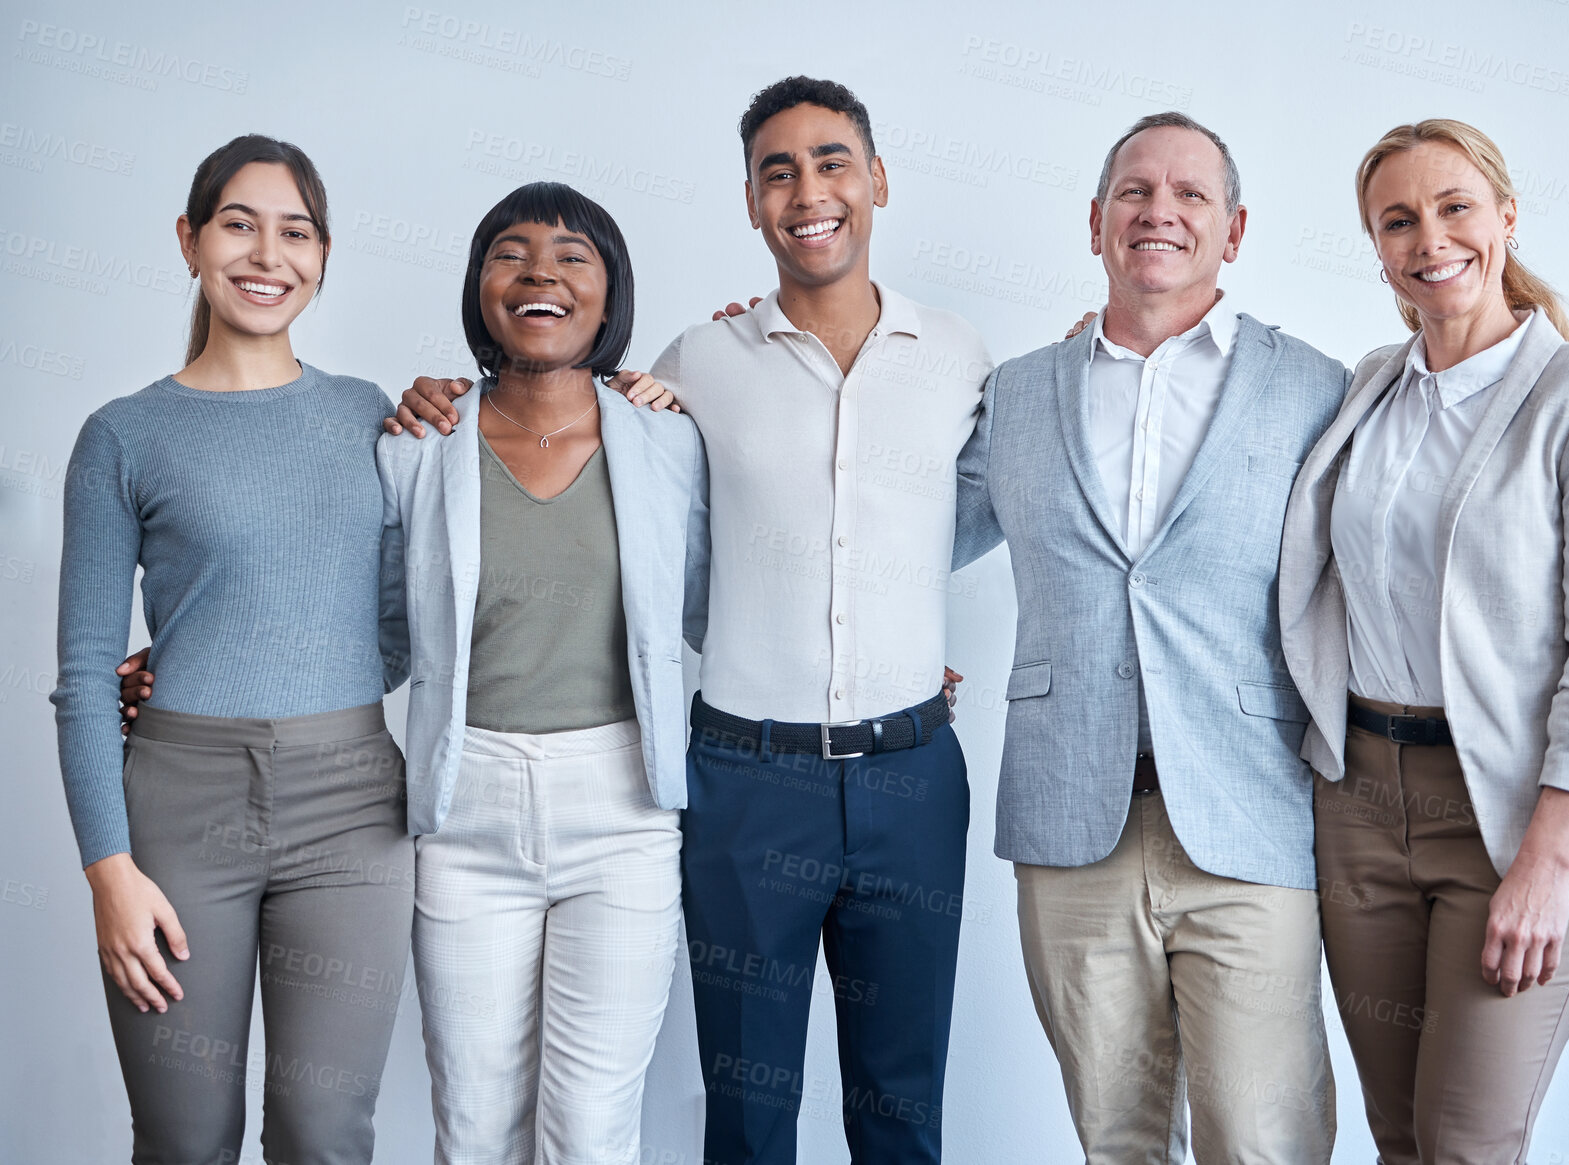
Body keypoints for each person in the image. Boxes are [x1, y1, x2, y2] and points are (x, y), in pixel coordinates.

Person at [391, 76, 990, 1165]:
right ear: (753, 204)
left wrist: (891, 626)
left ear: (879, 180)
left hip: (911, 776)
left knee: (902, 1103)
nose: (808, 190)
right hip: (746, 783)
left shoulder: (958, 356)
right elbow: (608, 472)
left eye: (832, 161)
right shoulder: (690, 370)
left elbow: (983, 505)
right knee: (748, 1112)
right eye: (778, 171)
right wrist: (442, 395)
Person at [954, 113, 1346, 1163]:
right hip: (1068, 819)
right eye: (1133, 192)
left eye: (1188, 195)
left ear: (1235, 227)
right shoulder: (1015, 392)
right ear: (1095, 223)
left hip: (1250, 815)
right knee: (1116, 1139)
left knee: (1261, 1137)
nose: (1158, 212)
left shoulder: (1315, 388)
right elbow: (901, 541)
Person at [1278, 118, 1569, 1164]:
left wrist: (1550, 859)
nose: (1429, 239)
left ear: (1504, 216)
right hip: (1357, 804)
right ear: (1376, 244)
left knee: (1468, 1144)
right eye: (1397, 220)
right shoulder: (1364, 388)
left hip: (1508, 818)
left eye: (1453, 208)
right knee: (1401, 1136)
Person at [50, 134, 416, 1164]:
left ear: (325, 253)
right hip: (178, 811)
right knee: (184, 1139)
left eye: (295, 231)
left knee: (324, 1132)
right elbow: (83, 674)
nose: (268, 254)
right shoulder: (123, 435)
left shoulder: (368, 416)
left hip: (353, 808)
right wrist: (107, 871)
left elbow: (387, 635)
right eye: (239, 224)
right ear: (191, 240)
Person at [374, 180, 708, 1164]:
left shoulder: (669, 439)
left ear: (610, 297)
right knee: (473, 1125)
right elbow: (375, 637)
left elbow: (725, 601)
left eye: (573, 256)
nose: (540, 274)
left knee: (592, 1127)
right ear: (482, 289)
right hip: (465, 804)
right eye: (510, 253)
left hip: (623, 814)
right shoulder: (420, 445)